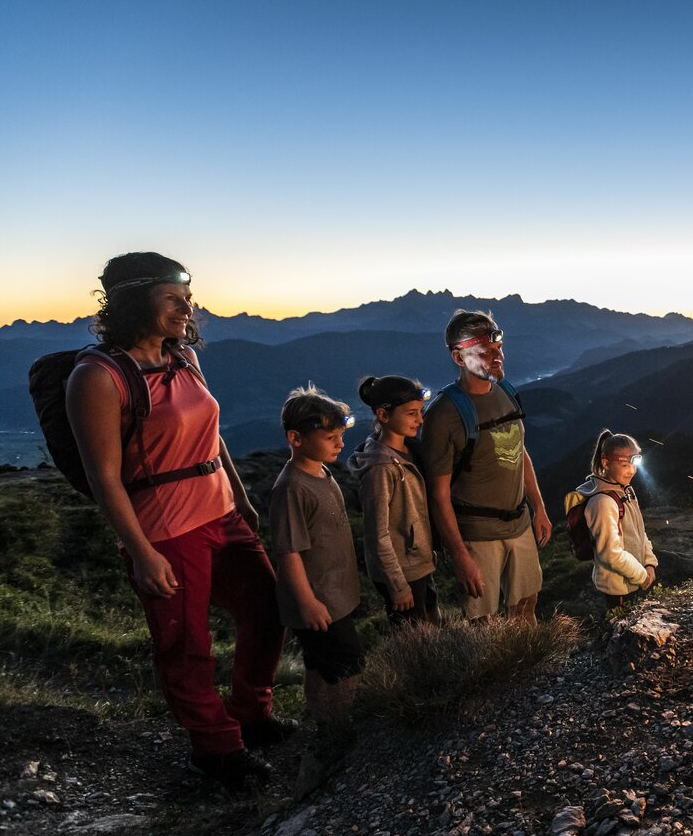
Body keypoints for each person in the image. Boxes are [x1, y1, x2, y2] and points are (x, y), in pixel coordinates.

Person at [65, 252, 291, 790]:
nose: (188, 309)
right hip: (166, 530)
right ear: (133, 301)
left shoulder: (184, 356)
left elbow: (214, 433)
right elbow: (104, 477)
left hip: (221, 514)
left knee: (268, 609)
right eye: (174, 299)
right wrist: (141, 552)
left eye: (187, 299)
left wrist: (240, 495)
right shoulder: (97, 377)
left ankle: (251, 715)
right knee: (185, 644)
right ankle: (216, 751)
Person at [421, 310, 551, 623]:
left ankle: (530, 671)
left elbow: (520, 452)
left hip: (519, 525)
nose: (498, 357)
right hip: (477, 537)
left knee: (526, 605)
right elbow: (438, 495)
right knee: (483, 622)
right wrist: (460, 556)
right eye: (486, 352)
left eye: (499, 348)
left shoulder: (506, 393)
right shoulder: (443, 416)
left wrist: (539, 507)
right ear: (458, 356)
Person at [268, 386, 365, 795]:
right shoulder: (292, 488)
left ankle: (323, 722)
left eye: (341, 435)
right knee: (347, 668)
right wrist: (307, 601)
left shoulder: (322, 473)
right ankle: (341, 735)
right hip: (320, 602)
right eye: (330, 437)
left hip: (336, 595)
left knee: (319, 666)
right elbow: (288, 552)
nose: (340, 443)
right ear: (296, 438)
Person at [347, 376, 438, 628]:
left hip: (418, 564)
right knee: (414, 646)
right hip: (402, 572)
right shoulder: (380, 468)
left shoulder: (410, 450)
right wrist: (397, 586)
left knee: (431, 634)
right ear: (383, 415)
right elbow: (377, 534)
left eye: (420, 412)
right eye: (411, 413)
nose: (419, 420)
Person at [572, 430, 658, 612]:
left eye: (635, 464)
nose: (632, 471)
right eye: (625, 465)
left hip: (633, 579)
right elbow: (610, 553)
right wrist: (642, 576)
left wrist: (649, 563)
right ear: (605, 462)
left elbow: (639, 531)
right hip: (617, 588)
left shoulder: (626, 490)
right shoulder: (602, 502)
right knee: (619, 632)